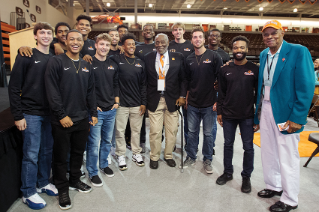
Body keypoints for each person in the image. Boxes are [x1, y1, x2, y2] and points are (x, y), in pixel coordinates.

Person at [254, 20, 314, 212]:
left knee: (288, 155)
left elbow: (306, 86)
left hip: (286, 112)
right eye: (266, 34)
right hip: (266, 108)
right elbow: (261, 87)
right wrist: (257, 115)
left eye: (274, 33)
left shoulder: (298, 51)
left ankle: (290, 198)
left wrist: (297, 117)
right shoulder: (264, 54)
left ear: (282, 33)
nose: (269, 36)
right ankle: (274, 186)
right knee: (269, 150)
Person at [45, 29, 98, 210]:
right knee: (60, 157)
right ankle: (62, 188)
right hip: (63, 120)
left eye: (79, 40)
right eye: (72, 39)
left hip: (82, 118)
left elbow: (91, 91)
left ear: (83, 43)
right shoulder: (56, 61)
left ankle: (75, 180)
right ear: (65, 42)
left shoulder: (86, 65)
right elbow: (52, 91)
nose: (76, 42)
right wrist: (61, 115)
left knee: (77, 153)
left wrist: (93, 113)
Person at [8, 22, 57, 210]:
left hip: (49, 114)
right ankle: (28, 192)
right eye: (41, 32)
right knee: (31, 154)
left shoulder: (54, 58)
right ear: (35, 36)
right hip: (30, 113)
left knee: (46, 151)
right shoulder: (25, 55)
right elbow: (14, 88)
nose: (45, 35)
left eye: (48, 32)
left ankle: (43, 182)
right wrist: (17, 115)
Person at [216, 35, 259, 193]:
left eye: (242, 48)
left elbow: (258, 95)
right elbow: (221, 92)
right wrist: (220, 111)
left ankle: (246, 177)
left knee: (248, 147)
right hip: (228, 114)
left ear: (247, 49)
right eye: (236, 48)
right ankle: (228, 173)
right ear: (232, 50)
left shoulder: (255, 69)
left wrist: (257, 116)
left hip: (247, 115)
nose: (238, 50)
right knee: (228, 145)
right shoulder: (224, 69)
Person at [144, 33, 187, 169]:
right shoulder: (148, 58)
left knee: (172, 131)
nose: (160, 45)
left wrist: (182, 96)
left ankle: (168, 155)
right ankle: (154, 156)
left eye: (163, 42)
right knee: (155, 131)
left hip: (173, 100)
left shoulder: (178, 57)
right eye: (157, 42)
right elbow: (144, 81)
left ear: (168, 43)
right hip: (154, 99)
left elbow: (183, 79)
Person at [182, 27, 222, 174]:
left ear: (204, 40)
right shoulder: (189, 59)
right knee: (191, 132)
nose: (197, 39)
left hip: (209, 103)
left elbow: (221, 80)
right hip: (192, 103)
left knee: (208, 133)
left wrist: (219, 100)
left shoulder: (214, 56)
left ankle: (207, 159)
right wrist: (185, 97)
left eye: (200, 37)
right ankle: (191, 156)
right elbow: (186, 80)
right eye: (194, 37)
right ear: (191, 40)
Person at [110, 33, 146, 171]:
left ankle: (136, 153)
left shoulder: (140, 62)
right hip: (122, 104)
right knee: (120, 131)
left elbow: (143, 84)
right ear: (123, 46)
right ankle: (120, 154)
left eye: (133, 44)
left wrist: (144, 102)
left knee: (136, 131)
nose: (131, 46)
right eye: (128, 44)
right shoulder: (115, 59)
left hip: (137, 103)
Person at [86, 33, 119, 187]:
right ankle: (92, 172)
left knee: (106, 141)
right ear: (95, 45)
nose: (104, 47)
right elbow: (85, 88)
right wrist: (92, 107)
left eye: (107, 45)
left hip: (111, 109)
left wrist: (116, 102)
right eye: (101, 44)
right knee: (93, 144)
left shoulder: (112, 63)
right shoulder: (88, 63)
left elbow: (115, 84)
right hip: (96, 111)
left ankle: (104, 164)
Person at [168, 22, 194, 149]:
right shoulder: (169, 45)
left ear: (184, 31)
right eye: (175, 30)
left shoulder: (190, 45)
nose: (178, 32)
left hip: (188, 86)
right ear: (172, 32)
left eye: (180, 29)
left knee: (188, 120)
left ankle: (189, 145)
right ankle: (171, 143)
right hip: (173, 86)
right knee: (172, 119)